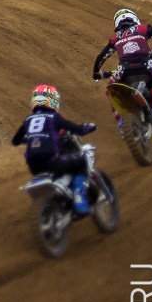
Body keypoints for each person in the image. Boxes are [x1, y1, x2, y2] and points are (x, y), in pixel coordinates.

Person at [10, 84, 98, 214]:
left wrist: (30, 139)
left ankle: (61, 199)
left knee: (61, 166)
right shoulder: (53, 117)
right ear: (52, 101)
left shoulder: (28, 120)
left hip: (34, 166)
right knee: (81, 162)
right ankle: (79, 198)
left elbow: (15, 141)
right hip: (51, 161)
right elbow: (77, 129)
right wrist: (88, 127)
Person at [94, 8, 152, 125]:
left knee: (111, 89)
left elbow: (101, 57)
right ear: (135, 18)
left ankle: (121, 122)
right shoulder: (143, 28)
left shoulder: (115, 37)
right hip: (146, 65)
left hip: (125, 70)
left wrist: (96, 72)